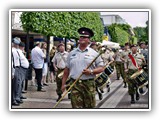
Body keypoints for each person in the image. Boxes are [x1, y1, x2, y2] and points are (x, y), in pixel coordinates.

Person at [61, 27, 104, 108]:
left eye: (84, 37)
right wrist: (63, 84)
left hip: (88, 84)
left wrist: (91, 72)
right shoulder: (72, 53)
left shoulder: (94, 53)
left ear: (89, 40)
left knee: (89, 107)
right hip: (75, 84)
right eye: (80, 36)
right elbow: (66, 70)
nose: (81, 38)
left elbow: (102, 68)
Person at [12, 37, 22, 106]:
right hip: (14, 68)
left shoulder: (16, 50)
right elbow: (12, 62)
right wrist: (12, 72)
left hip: (17, 68)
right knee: (13, 86)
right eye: (16, 44)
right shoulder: (12, 50)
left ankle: (14, 98)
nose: (17, 45)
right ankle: (12, 100)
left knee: (16, 85)